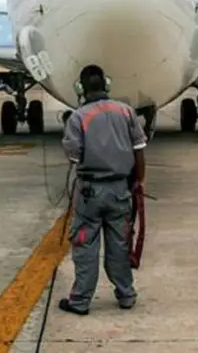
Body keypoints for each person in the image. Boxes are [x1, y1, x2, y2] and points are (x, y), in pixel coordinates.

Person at [59, 64, 147, 315]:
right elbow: (139, 149)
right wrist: (138, 180)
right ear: (106, 86)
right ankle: (126, 295)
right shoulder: (127, 111)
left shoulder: (78, 117)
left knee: (85, 247)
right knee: (119, 246)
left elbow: (74, 156)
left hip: (90, 194)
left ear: (81, 89)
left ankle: (80, 301)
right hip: (120, 191)